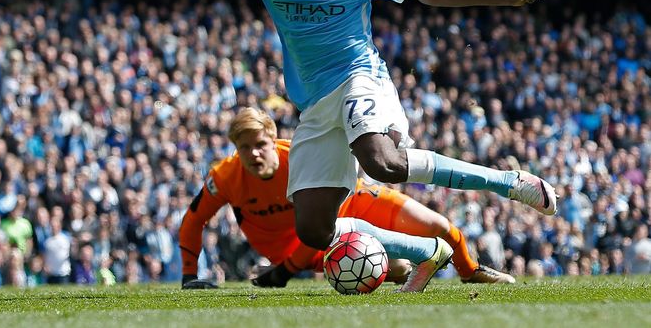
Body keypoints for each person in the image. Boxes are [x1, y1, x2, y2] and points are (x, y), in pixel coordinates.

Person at [81, 0, 556, 289]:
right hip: (314, 103)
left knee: (383, 163)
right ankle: (428, 250)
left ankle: (510, 182)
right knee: (312, 231)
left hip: (359, 78)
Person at [179, 108, 515, 289]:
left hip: (349, 203)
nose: (253, 154)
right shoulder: (224, 176)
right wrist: (189, 276)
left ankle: (470, 271)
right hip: (299, 247)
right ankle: (406, 266)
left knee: (439, 226)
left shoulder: (300, 155)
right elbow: (193, 221)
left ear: (273, 138)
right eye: (244, 147)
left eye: (260, 144)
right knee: (393, 268)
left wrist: (283, 275)